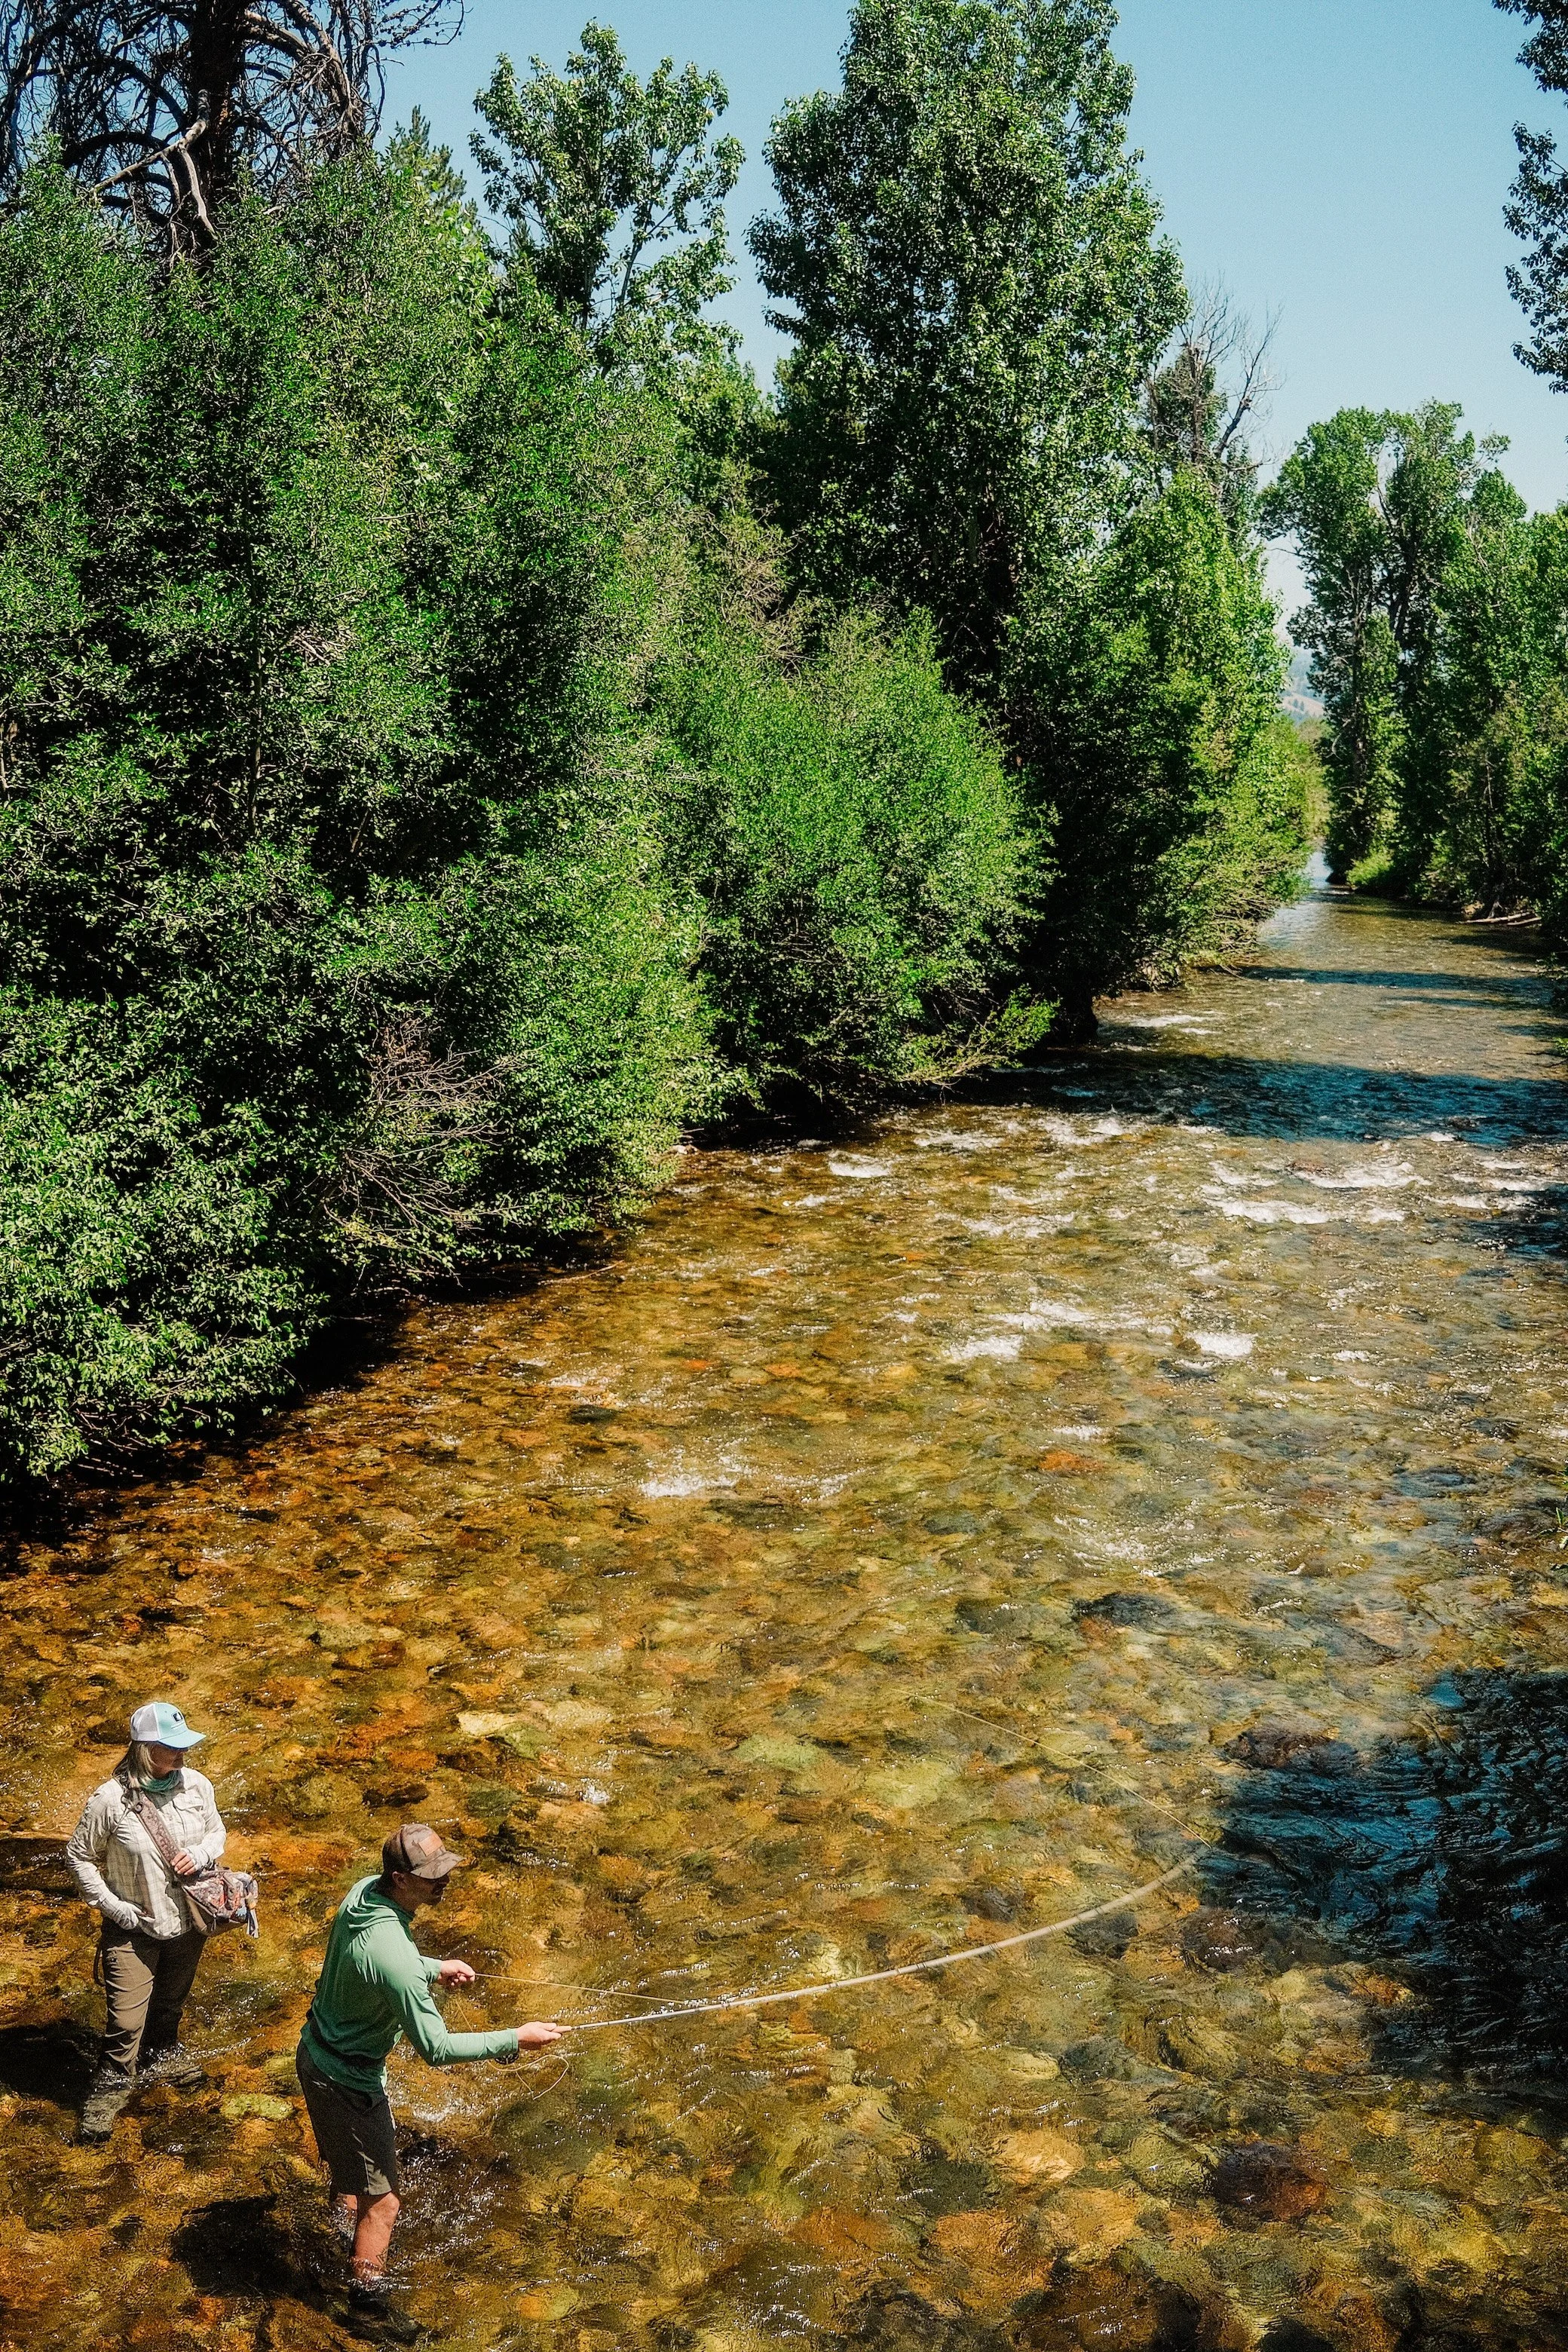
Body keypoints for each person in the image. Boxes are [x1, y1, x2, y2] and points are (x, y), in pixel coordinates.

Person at [298, 1823, 564, 2344]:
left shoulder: (363, 1896)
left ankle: (342, 2236)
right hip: (349, 2081)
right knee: (386, 2204)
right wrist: (515, 2037)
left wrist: (433, 1966)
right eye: (432, 1877)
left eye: (445, 1870)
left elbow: (373, 1961)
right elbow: (436, 2049)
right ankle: (367, 2309)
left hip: (315, 2057)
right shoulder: (393, 1957)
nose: (444, 1882)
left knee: (356, 2191)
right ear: (400, 1877)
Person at [66, 1699, 227, 2140]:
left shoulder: (197, 1786)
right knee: (124, 2024)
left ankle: (162, 2059)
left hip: (189, 1922)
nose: (181, 1755)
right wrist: (113, 1906)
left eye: (183, 1746)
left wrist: (201, 1853)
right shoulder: (110, 1800)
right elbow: (78, 1857)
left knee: (170, 2007)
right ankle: (108, 2094)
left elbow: (217, 1833)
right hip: (133, 1928)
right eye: (171, 1747)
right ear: (143, 1748)